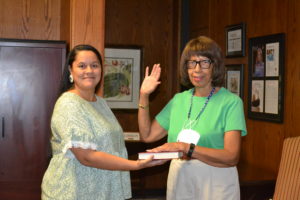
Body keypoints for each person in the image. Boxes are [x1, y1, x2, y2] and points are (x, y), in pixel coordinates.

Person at [41, 44, 166, 200]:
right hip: (73, 193)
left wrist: (143, 94)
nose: (89, 71)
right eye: (82, 66)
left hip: (102, 191)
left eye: (94, 65)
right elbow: (86, 156)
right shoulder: (68, 103)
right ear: (70, 71)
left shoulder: (100, 102)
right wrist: (135, 165)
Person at [138, 36, 247, 200]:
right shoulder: (178, 100)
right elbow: (147, 135)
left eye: (204, 62)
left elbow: (231, 156)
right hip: (181, 179)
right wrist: (144, 95)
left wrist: (185, 147)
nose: (197, 69)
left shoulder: (231, 103)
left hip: (216, 183)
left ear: (214, 66)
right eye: (192, 63)